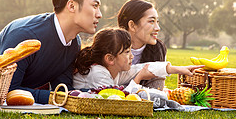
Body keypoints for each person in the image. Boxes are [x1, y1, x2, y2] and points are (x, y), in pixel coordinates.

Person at [0, 0, 103, 104]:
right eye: (95, 6)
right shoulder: (25, 35)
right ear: (71, 6)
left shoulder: (73, 42)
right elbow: (7, 91)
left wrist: (92, 94)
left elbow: (62, 88)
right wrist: (55, 97)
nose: (99, 14)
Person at [73, 28, 202, 93]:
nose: (132, 56)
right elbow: (117, 100)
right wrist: (138, 79)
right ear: (110, 59)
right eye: (127, 52)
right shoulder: (98, 73)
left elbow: (142, 68)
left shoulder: (114, 69)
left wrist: (178, 69)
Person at [117, 0, 167, 90]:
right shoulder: (111, 48)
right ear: (132, 25)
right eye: (151, 21)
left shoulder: (158, 49)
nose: (157, 28)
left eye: (157, 22)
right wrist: (139, 77)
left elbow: (155, 93)